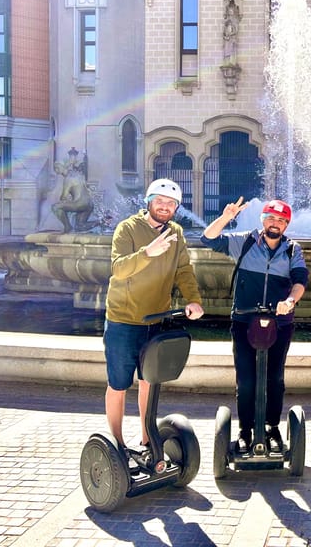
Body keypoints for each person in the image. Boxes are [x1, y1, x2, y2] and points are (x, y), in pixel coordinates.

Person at [103, 178, 204, 454]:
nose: (165, 207)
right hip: (124, 319)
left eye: (171, 203)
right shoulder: (128, 228)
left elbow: (183, 269)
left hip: (157, 319)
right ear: (149, 202)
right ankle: (117, 444)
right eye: (160, 201)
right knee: (119, 384)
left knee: (149, 382)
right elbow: (118, 269)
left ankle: (148, 439)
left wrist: (193, 300)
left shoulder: (176, 233)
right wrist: (147, 252)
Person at [200, 197, 309, 453]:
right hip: (244, 321)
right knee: (246, 380)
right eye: (271, 218)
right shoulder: (246, 242)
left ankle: (272, 428)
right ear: (263, 220)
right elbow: (208, 238)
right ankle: (245, 430)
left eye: (282, 220)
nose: (276, 224)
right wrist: (227, 216)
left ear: (286, 225)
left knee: (275, 379)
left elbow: (300, 280)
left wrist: (290, 300)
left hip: (279, 324)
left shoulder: (293, 250)